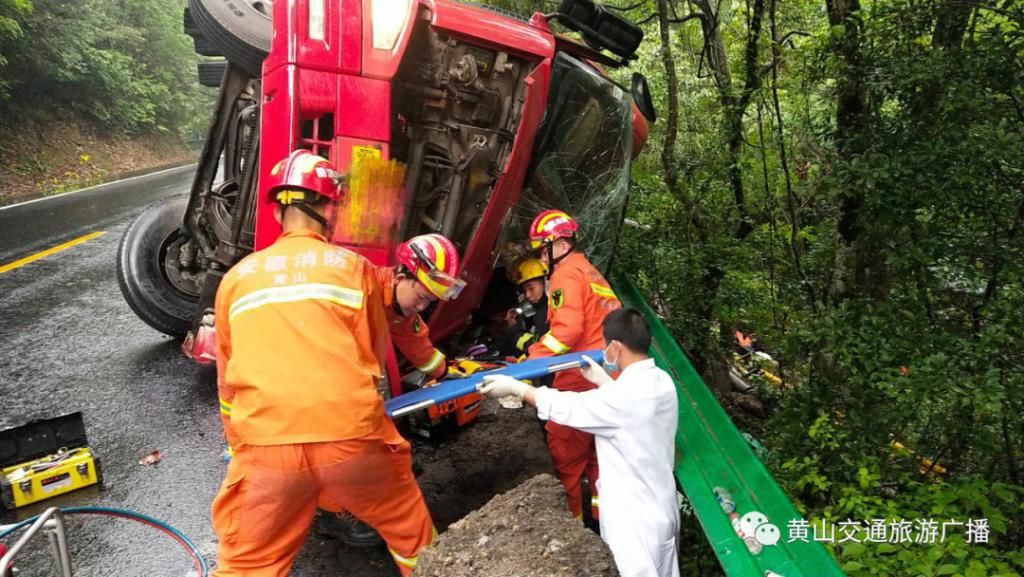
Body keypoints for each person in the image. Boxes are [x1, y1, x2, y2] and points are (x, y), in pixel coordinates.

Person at [212, 150, 435, 576]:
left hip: (266, 447)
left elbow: (226, 386)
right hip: (350, 439)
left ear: (278, 209)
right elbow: (370, 354)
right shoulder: (356, 269)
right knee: (412, 535)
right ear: (329, 208)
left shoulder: (235, 280)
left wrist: (243, 449)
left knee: (246, 565)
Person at [480, 308, 680, 577]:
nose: (602, 349)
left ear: (616, 347)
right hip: (662, 505)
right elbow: (629, 413)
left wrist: (519, 389)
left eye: (603, 344)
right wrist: (604, 382)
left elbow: (570, 406)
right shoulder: (660, 381)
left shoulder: (624, 400)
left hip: (634, 519)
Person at [523, 209, 621, 522]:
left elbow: (567, 330)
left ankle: (574, 532)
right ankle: (603, 527)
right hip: (608, 376)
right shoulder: (588, 270)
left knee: (565, 459)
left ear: (559, 244)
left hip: (579, 378)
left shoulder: (565, 275)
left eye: (542, 249)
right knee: (599, 459)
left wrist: (531, 363)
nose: (541, 257)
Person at [499, 257, 549, 357]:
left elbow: (536, 347)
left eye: (531, 288)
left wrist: (514, 330)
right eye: (525, 290)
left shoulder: (549, 313)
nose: (528, 295)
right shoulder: (538, 310)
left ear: (546, 284)